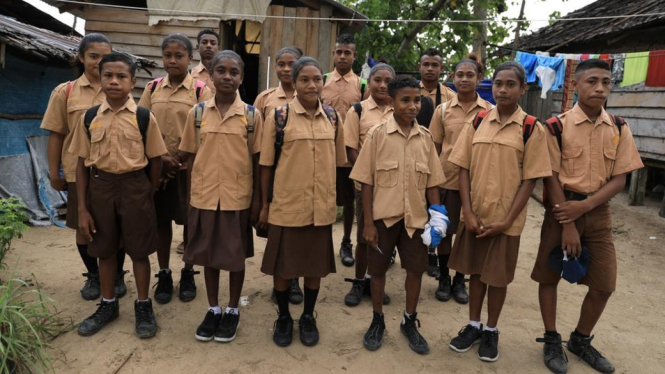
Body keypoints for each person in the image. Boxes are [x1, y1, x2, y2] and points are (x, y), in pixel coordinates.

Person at [532, 59, 644, 374]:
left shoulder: (620, 128)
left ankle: (580, 339)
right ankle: (552, 338)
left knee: (604, 283)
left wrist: (586, 207)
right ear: (576, 85)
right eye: (592, 81)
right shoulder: (556, 126)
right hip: (561, 209)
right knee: (548, 275)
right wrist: (567, 222)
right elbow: (550, 177)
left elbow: (620, 180)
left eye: (606, 82)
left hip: (598, 213)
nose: (599, 88)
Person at [447, 62, 551, 362]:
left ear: (523, 88)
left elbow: (531, 179)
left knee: (498, 278)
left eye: (510, 84)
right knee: (476, 273)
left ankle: (491, 329)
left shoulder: (532, 128)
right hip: (475, 215)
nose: (502, 90)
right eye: (498, 84)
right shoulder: (478, 121)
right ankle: (473, 325)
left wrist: (506, 220)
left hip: (506, 219)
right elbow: (463, 168)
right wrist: (467, 210)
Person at [70, 52, 167, 338]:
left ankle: (143, 305)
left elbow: (156, 160)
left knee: (138, 250)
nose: (114, 81)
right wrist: (84, 209)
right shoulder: (89, 118)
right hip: (100, 187)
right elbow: (81, 163)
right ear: (100, 80)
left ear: (133, 81)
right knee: (105, 248)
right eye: (108, 76)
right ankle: (108, 304)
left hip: (135, 186)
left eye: (121, 76)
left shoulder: (143, 117)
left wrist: (146, 193)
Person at [351, 75, 445, 354]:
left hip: (416, 222)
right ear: (391, 102)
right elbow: (366, 181)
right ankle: (377, 319)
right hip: (383, 219)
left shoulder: (425, 138)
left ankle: (409, 320)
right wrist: (368, 223)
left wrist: (438, 218)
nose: (413, 106)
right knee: (377, 271)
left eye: (417, 100)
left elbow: (432, 184)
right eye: (405, 100)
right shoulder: (377, 135)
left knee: (415, 271)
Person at [257, 57, 346, 348]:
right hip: (287, 207)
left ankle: (308, 315)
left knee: (314, 268)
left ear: (323, 82)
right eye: (304, 79)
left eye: (317, 79)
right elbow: (266, 165)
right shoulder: (279, 116)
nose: (311, 85)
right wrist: (266, 205)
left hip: (320, 209)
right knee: (283, 269)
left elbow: (339, 162)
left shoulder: (333, 118)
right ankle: (283, 316)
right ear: (294, 83)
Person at [179, 50, 263, 343]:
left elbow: (257, 161)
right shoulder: (198, 113)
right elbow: (190, 158)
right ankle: (213, 308)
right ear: (210, 74)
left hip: (237, 198)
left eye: (234, 72)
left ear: (241, 77)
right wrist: (192, 196)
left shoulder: (251, 116)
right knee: (208, 255)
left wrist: (257, 201)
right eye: (221, 71)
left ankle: (232, 309)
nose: (227, 77)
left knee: (235, 257)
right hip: (203, 197)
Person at [41, 33, 129, 301]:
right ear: (81, 57)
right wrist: (54, 172)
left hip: (114, 172)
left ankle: (115, 275)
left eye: (105, 56)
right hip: (77, 172)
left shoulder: (119, 88)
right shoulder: (65, 92)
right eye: (93, 56)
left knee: (117, 226)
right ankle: (93, 275)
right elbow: (56, 134)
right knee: (84, 227)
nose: (99, 62)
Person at [138, 33, 213, 305]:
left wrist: (178, 159)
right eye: (168, 55)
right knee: (161, 222)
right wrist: (160, 160)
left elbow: (204, 127)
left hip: (189, 169)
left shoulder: (201, 90)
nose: (172, 60)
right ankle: (165, 272)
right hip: (157, 168)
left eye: (179, 56)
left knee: (190, 223)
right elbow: (142, 125)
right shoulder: (152, 88)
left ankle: (189, 271)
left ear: (190, 59)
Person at [428, 53, 492, 302]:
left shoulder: (489, 112)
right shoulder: (442, 111)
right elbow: (434, 148)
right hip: (447, 181)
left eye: (470, 75)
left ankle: (459, 281)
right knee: (446, 233)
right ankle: (444, 276)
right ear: (452, 78)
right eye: (460, 75)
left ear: (480, 78)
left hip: (476, 184)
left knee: (469, 234)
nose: (464, 79)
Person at [254, 46, 305, 305]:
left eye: (291, 64)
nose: (286, 69)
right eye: (281, 64)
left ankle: (293, 277)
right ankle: (279, 278)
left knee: (295, 230)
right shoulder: (264, 98)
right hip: (270, 170)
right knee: (274, 229)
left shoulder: (308, 95)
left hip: (297, 172)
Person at [342, 63, 395, 307]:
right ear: (369, 82)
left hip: (393, 189)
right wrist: (366, 178)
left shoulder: (400, 109)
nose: (382, 85)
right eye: (377, 80)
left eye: (387, 81)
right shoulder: (358, 111)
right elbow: (351, 148)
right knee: (364, 237)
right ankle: (358, 281)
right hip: (366, 187)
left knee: (384, 239)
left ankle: (375, 281)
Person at [321, 33, 366, 268]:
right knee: (325, 198)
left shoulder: (362, 84)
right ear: (334, 54)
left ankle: (347, 242)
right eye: (339, 52)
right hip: (325, 153)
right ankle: (322, 243)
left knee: (349, 201)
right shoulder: (322, 80)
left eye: (347, 52)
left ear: (354, 56)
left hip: (350, 155)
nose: (342, 56)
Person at [191, 29, 220, 93]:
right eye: (204, 42)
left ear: (218, 48)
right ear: (197, 47)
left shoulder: (224, 75)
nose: (208, 46)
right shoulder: (190, 75)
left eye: (213, 43)